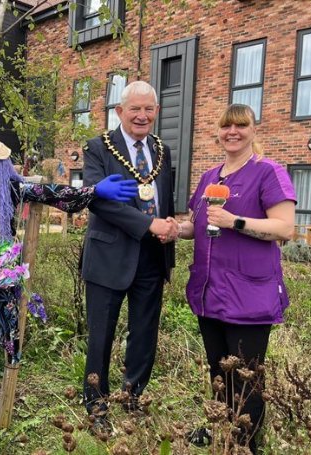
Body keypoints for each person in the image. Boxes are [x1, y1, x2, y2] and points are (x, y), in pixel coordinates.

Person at [0, 115, 138, 364]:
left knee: (4, 317)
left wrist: (93, 191)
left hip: (1, 267)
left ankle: (3, 368)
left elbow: (51, 193)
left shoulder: (11, 189)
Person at [173, 104, 296, 453]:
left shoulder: (268, 172)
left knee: (247, 380)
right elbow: (198, 226)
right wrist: (175, 229)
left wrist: (236, 221)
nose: (233, 132)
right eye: (226, 126)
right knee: (219, 371)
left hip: (249, 297)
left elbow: (285, 228)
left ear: (253, 130)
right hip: (209, 294)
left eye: (241, 126)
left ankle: (245, 445)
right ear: (218, 131)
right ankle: (223, 431)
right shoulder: (210, 176)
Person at [81, 81, 178, 430]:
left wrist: (168, 231)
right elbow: (98, 200)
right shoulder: (98, 148)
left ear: (156, 112)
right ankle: (96, 405)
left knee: (144, 334)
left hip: (152, 258)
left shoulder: (163, 151)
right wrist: (148, 225)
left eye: (148, 109)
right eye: (134, 109)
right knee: (101, 335)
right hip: (109, 257)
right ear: (120, 112)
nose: (142, 115)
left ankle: (133, 395)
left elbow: (164, 199)